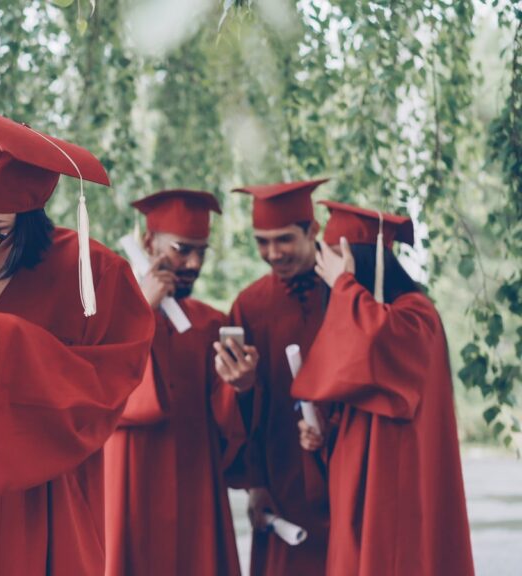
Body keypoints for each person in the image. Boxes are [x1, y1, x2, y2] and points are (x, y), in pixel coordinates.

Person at [0, 89, 155, 576]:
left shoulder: (89, 271)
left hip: (41, 504)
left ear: (27, 219)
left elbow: (111, 384)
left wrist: (18, 344)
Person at [293, 200, 474, 576]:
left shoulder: (416, 315)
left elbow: (378, 345)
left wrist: (342, 284)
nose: (332, 278)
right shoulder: (356, 312)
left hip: (398, 484)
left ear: (365, 261)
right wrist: (323, 434)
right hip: (357, 487)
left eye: (340, 263)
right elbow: (356, 394)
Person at [103, 189, 243, 576]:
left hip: (194, 475)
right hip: (128, 473)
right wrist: (141, 310)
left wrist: (240, 385)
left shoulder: (210, 322)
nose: (193, 263)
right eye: (182, 249)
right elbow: (95, 389)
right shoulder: (107, 307)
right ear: (148, 244)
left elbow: (225, 419)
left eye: (202, 251)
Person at [214, 179, 331, 575]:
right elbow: (239, 413)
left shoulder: (347, 296)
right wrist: (256, 484)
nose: (272, 253)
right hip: (282, 476)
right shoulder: (250, 305)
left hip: (346, 467)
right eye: (262, 241)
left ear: (313, 230)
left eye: (283, 240)